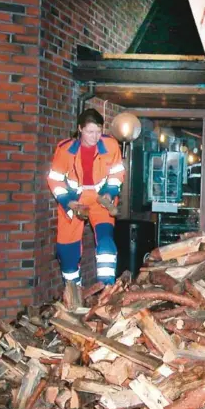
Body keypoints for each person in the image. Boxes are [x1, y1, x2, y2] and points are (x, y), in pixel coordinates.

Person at [47, 109, 126, 287]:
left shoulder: (111, 145)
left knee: (106, 243)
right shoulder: (65, 149)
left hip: (101, 200)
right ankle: (73, 290)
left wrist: (110, 192)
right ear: (80, 129)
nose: (95, 136)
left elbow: (117, 173)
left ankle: (107, 288)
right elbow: (55, 178)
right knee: (67, 249)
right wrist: (68, 202)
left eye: (98, 131)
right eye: (90, 132)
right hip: (75, 200)